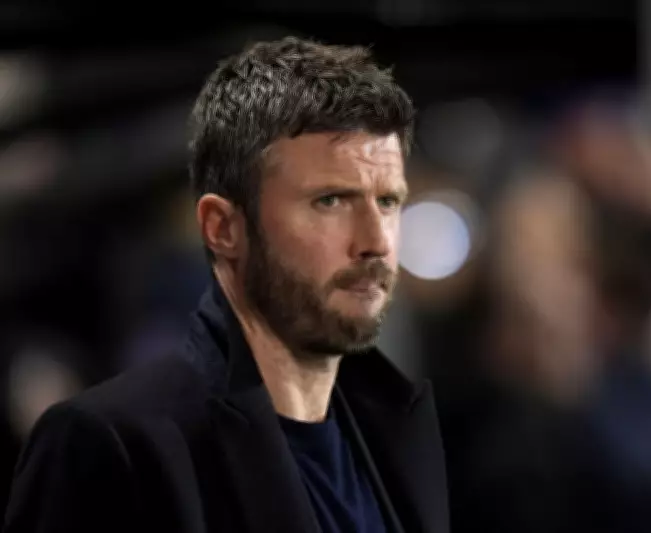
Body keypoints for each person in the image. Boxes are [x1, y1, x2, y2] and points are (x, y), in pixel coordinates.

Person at [3, 37, 449, 533]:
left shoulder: (404, 436)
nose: (376, 243)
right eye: (330, 201)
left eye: (388, 202)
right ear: (222, 228)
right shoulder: (107, 446)